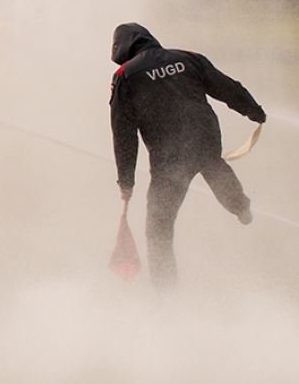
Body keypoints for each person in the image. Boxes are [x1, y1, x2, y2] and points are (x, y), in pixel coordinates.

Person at [110, 23, 266, 289]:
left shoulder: (126, 75)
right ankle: (241, 207)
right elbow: (227, 87)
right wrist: (254, 111)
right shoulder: (187, 58)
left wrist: (126, 182)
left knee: (158, 230)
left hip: (169, 157)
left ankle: (165, 294)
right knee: (211, 164)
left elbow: (123, 133)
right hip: (205, 139)